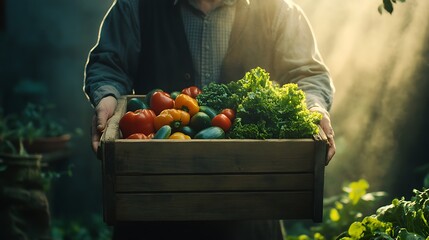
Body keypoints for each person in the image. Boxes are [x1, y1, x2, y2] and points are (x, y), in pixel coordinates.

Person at [83, 0, 336, 239]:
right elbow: (108, 65)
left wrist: (315, 108)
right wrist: (107, 98)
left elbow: (308, 74)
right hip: (151, 209)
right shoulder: (135, 5)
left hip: (251, 214)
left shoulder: (278, 10)